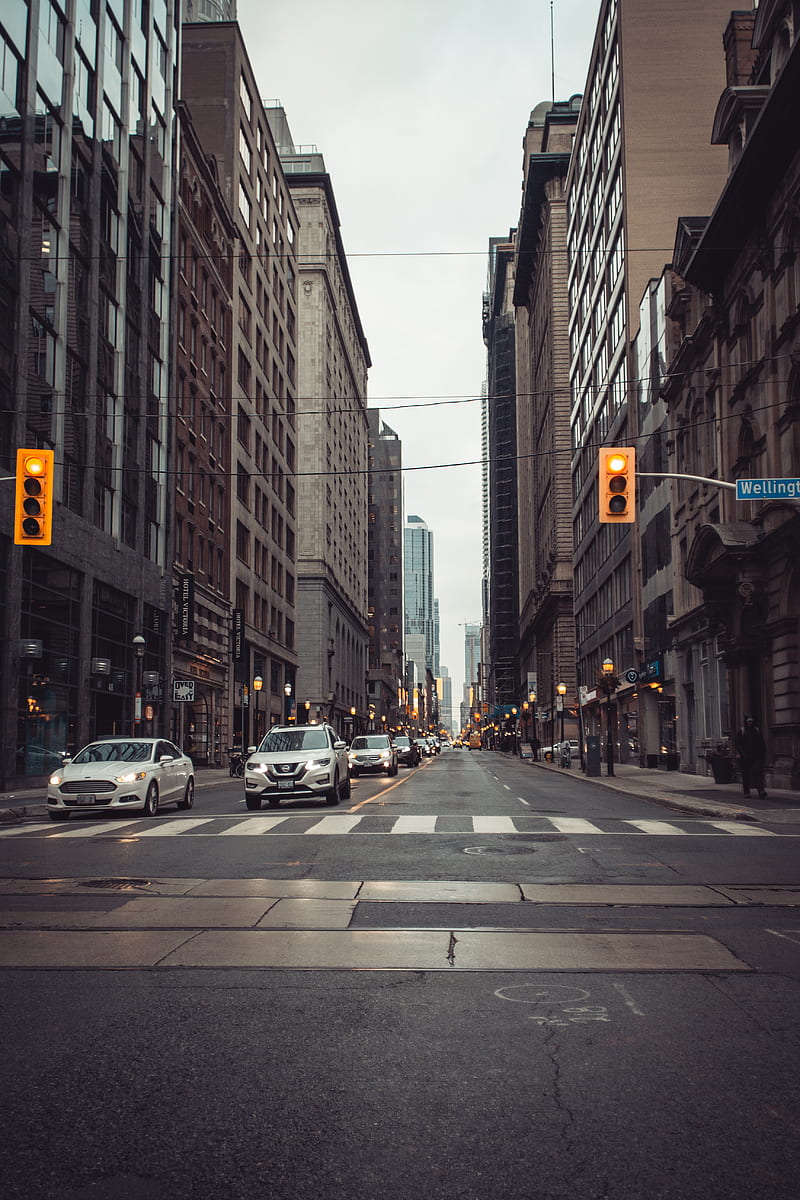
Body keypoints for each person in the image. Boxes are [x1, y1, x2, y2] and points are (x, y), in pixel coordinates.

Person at [735, 716, 767, 798]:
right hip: (745, 757)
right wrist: (741, 754)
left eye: (751, 721)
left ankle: (761, 791)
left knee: (758, 773)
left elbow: (761, 743)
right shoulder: (742, 731)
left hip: (756, 756)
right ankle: (746, 792)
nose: (750, 723)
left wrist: (762, 754)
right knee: (746, 775)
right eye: (749, 721)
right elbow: (738, 744)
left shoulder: (756, 730)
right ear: (746, 722)